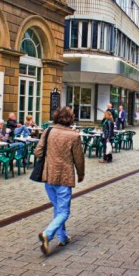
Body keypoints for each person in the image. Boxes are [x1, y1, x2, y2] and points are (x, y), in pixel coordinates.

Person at [36, 107, 85, 255]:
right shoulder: (74, 136)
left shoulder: (48, 131)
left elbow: (38, 151)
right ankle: (48, 234)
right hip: (64, 177)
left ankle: (62, 237)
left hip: (49, 175)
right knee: (64, 211)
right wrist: (81, 173)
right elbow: (79, 158)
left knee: (57, 207)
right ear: (70, 119)